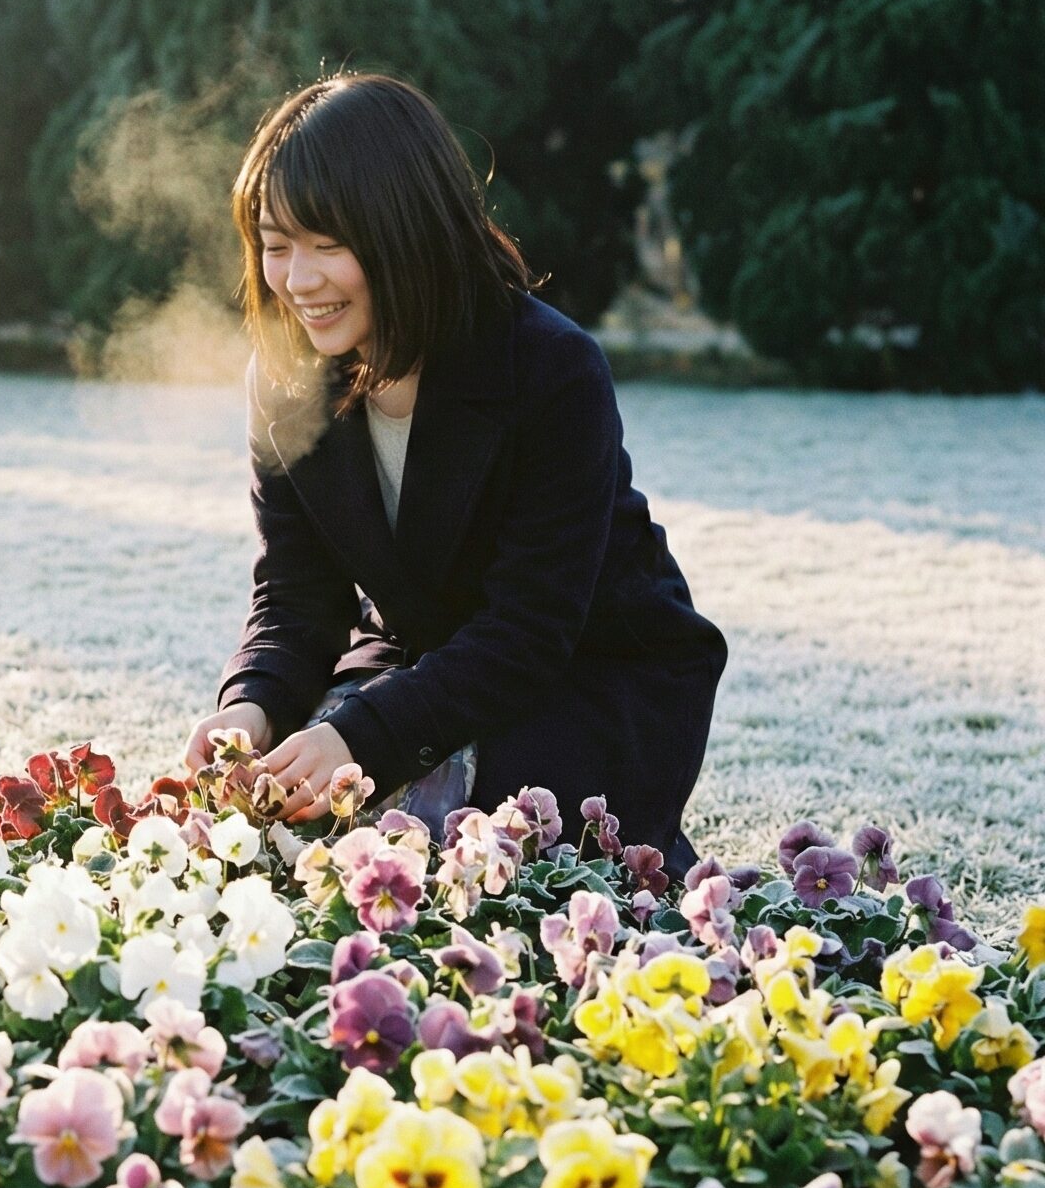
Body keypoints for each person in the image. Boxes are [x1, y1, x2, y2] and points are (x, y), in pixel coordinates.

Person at [182, 73, 727, 874]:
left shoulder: (550, 367)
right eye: (275, 243)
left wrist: (360, 733)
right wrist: (251, 706)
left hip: (588, 669)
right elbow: (295, 598)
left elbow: (531, 628)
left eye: (328, 243)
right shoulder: (287, 381)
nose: (297, 280)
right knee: (284, 820)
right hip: (421, 661)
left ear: (406, 229)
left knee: (469, 854)